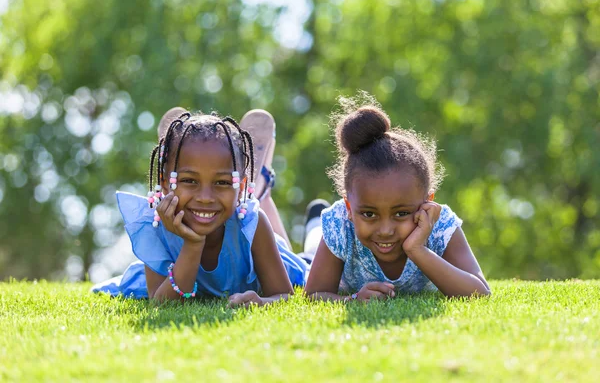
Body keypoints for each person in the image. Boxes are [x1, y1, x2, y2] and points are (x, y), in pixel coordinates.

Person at [92, 108, 308, 307]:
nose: (205, 198)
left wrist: (261, 302)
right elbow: (161, 303)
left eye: (222, 182)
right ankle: (258, 187)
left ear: (240, 186)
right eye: (189, 181)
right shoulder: (155, 227)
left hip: (258, 239)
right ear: (165, 184)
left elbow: (284, 295)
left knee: (297, 247)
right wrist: (193, 244)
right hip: (232, 210)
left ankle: (264, 190)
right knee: (248, 206)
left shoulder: (253, 224)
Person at [304, 93, 490, 301]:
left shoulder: (440, 225)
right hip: (316, 253)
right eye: (368, 214)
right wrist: (353, 299)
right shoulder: (340, 225)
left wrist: (417, 250)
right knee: (308, 256)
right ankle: (314, 227)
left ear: (427, 203)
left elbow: (480, 293)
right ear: (348, 207)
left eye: (401, 213)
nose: (385, 230)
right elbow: (313, 294)